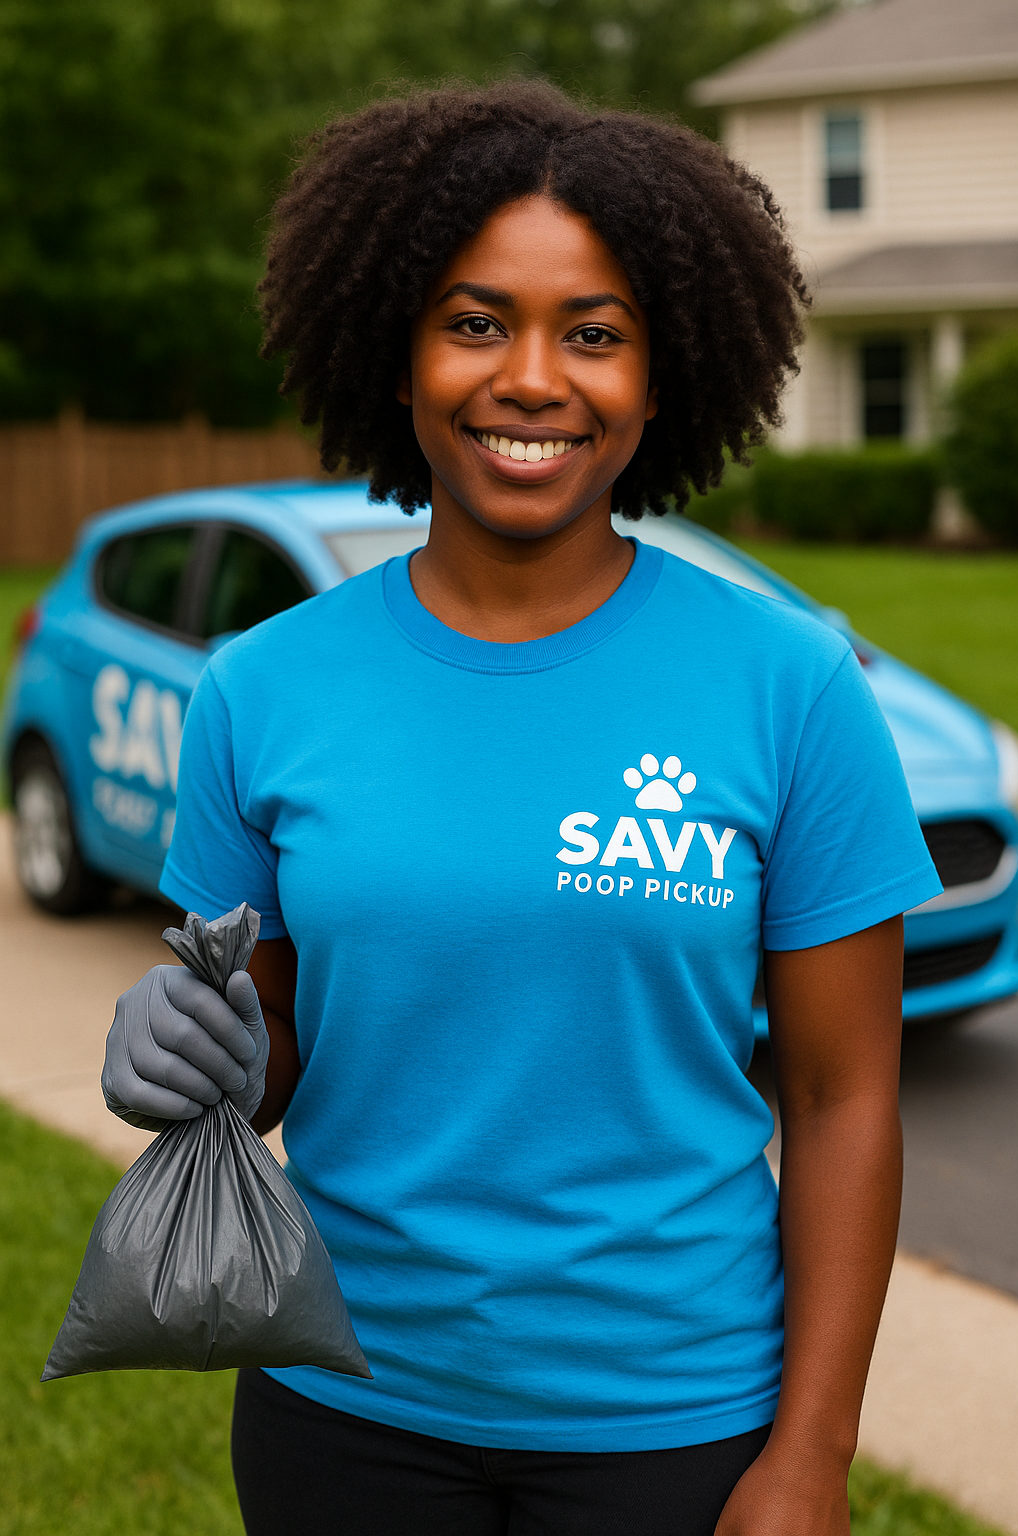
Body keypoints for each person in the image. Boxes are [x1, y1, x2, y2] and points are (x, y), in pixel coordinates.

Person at [102, 82, 941, 1536]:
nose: (533, 378)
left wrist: (810, 1453)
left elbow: (843, 1097)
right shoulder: (262, 689)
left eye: (595, 332)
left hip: (676, 1424)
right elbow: (274, 1044)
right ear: (400, 352)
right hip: (342, 1410)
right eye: (476, 321)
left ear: (664, 374)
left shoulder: (788, 684)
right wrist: (196, 1057)